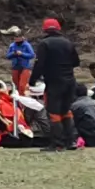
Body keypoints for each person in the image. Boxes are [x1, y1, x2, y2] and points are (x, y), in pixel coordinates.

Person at [31, 19, 80, 151]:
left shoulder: (44, 44)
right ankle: (71, 142)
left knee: (54, 113)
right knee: (66, 111)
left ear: (45, 30)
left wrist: (32, 80)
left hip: (54, 82)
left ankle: (57, 143)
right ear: (58, 29)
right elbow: (76, 62)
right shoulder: (68, 43)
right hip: (70, 82)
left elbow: (39, 64)